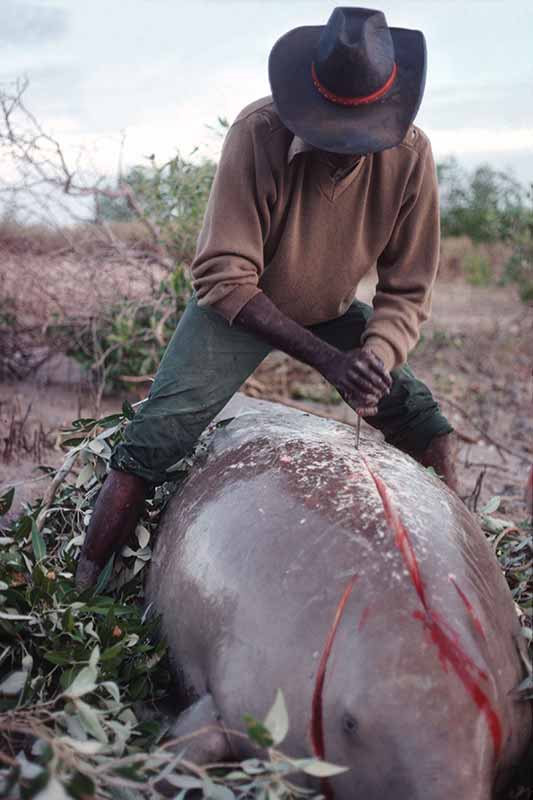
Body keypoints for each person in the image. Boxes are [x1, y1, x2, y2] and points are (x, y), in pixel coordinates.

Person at [76, 6, 458, 590]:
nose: (346, 151)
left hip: (331, 311)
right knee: (151, 442)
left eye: (360, 136)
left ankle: (456, 565)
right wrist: (328, 360)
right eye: (333, 132)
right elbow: (224, 277)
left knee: (426, 425)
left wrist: (375, 357)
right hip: (238, 311)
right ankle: (81, 590)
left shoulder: (410, 154)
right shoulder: (258, 132)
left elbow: (408, 285)